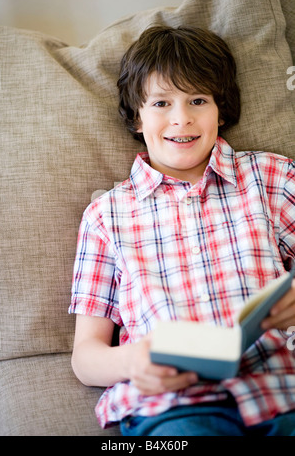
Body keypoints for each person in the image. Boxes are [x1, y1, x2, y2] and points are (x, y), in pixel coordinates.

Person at [69, 26, 295, 436]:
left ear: (220, 110)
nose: (181, 118)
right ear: (137, 117)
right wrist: (132, 361)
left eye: (197, 100)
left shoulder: (272, 177)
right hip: (173, 408)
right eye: (160, 103)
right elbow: (86, 356)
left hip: (282, 390)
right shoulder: (106, 216)